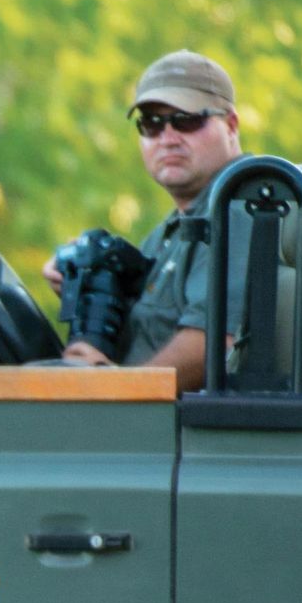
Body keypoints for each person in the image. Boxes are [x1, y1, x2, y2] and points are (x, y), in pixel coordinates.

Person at [43, 51, 245, 393]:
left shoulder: (241, 207)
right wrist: (77, 278)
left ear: (230, 124)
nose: (167, 137)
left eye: (186, 120)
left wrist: (121, 390)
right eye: (151, 124)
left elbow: (212, 342)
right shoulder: (177, 226)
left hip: (166, 431)